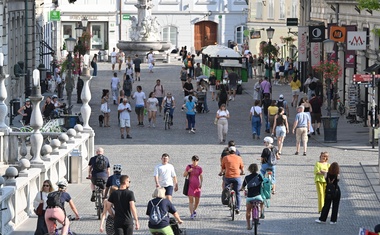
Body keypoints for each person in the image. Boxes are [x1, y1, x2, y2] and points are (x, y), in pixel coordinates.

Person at [221, 146, 244, 214]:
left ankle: (227, 198)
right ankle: (238, 208)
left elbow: (223, 167)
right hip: (237, 176)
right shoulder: (239, 158)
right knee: (238, 193)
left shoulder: (225, 158)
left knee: (227, 187)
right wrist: (242, 172)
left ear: (229, 151)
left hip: (228, 176)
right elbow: (242, 167)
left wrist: (221, 172)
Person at [240, 163, 264, 230]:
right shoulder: (260, 176)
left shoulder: (247, 178)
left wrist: (241, 189)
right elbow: (263, 184)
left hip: (250, 197)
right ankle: (261, 212)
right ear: (257, 169)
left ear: (249, 169)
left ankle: (248, 225)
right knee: (262, 202)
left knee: (248, 210)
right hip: (258, 196)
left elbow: (242, 187)